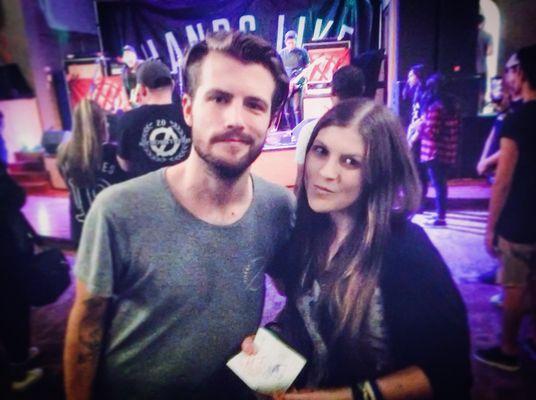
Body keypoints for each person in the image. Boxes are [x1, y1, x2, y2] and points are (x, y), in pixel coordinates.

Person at [63, 30, 293, 400]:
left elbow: (301, 299)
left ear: (271, 118)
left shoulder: (280, 209)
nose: (235, 118)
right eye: (219, 98)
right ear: (187, 108)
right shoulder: (118, 210)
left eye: (254, 104)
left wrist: (272, 346)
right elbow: (87, 322)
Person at [243, 98, 471, 399]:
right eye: (320, 151)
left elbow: (449, 372)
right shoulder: (305, 232)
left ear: (378, 173)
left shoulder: (405, 249)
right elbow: (305, 321)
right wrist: (270, 345)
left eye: (350, 161)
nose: (326, 172)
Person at [475, 44, 536, 372]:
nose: (508, 74)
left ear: (522, 73)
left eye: (511, 68)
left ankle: (509, 349)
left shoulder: (518, 120)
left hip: (520, 217)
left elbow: (502, 180)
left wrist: (491, 226)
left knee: (512, 285)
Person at [56, 99, 128, 245]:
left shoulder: (64, 153)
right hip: (110, 234)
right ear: (103, 124)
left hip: (81, 232)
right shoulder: (113, 154)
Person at [0, 161, 43, 392]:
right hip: (4, 251)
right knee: (12, 306)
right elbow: (14, 196)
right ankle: (19, 368)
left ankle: (19, 355)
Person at [116, 59, 191, 178]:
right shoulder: (190, 115)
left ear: (142, 90)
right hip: (186, 191)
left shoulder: (128, 120)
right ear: (172, 85)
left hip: (145, 193)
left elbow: (125, 165)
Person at [294, 65, 365, 188]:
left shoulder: (311, 130)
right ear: (362, 93)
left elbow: (301, 178)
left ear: (332, 93)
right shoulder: (374, 133)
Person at [410, 73, 460, 226]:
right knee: (441, 184)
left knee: (439, 185)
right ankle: (440, 214)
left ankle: (440, 217)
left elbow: (432, 132)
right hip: (448, 150)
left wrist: (420, 126)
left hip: (434, 152)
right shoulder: (452, 106)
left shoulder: (435, 107)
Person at [476, 53, 524, 180]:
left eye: (509, 71)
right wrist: (484, 159)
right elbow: (492, 135)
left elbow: (514, 146)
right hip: (495, 170)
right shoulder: (507, 108)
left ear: (519, 72)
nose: (506, 76)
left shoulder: (523, 109)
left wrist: (487, 162)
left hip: (509, 173)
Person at [279, 30, 310, 129]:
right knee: (287, 110)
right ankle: (292, 130)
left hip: (299, 82)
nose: (291, 44)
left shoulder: (302, 52)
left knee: (297, 108)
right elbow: (279, 71)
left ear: (296, 41)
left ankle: (299, 129)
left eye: (292, 42)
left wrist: (302, 83)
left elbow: (307, 69)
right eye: (289, 43)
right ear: (285, 42)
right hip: (286, 84)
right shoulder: (281, 54)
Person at [476, 14, 493, 112]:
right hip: (482, 68)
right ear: (482, 23)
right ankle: (479, 111)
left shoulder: (468, 35)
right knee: (481, 91)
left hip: (471, 68)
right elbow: (489, 52)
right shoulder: (487, 36)